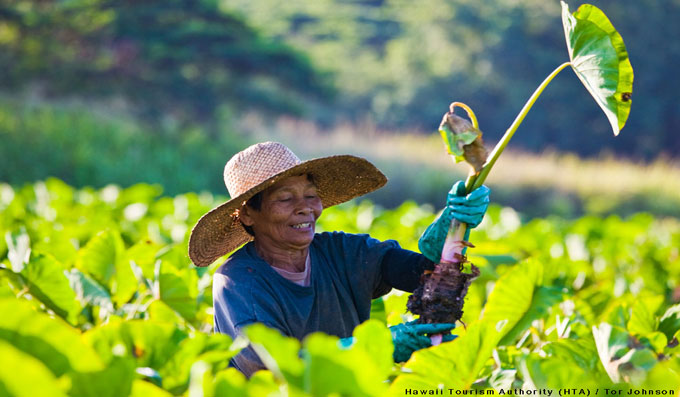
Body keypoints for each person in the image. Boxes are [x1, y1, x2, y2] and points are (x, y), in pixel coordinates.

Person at [188, 141, 489, 377]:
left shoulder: (342, 252)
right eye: (285, 199)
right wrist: (375, 347)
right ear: (249, 214)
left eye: (310, 195)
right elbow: (276, 368)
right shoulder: (238, 281)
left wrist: (451, 229)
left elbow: (423, 276)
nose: (305, 208)